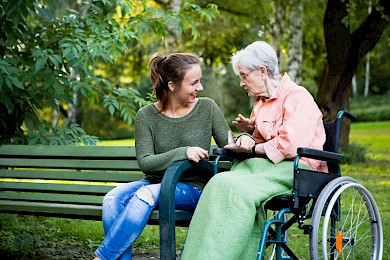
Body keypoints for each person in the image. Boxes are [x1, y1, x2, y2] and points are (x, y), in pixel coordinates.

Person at [180, 41, 327, 260]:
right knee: (218, 183)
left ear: (262, 71)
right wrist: (247, 135)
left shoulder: (298, 96)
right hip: (262, 166)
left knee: (237, 190)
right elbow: (259, 140)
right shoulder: (261, 102)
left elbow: (290, 145)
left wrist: (255, 146)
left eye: (243, 75)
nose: (241, 83)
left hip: (297, 169)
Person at [94, 53, 230, 260]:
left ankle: (102, 258)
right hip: (156, 183)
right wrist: (184, 152)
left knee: (144, 195)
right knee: (112, 199)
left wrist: (246, 136)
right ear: (172, 85)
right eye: (193, 83)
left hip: (194, 187)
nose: (200, 88)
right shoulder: (146, 116)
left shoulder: (207, 108)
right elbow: (146, 162)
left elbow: (230, 145)